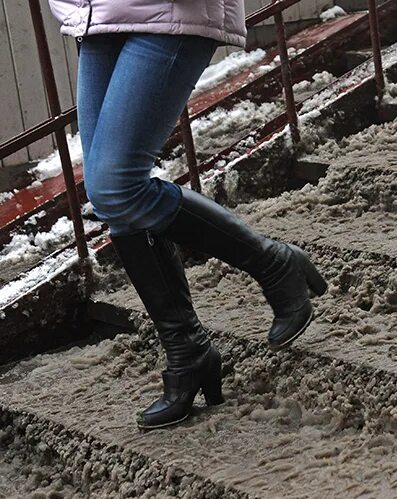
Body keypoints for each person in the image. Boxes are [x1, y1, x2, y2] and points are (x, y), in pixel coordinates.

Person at [47, 1, 327, 429]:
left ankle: (273, 264)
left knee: (116, 184)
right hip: (98, 12)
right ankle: (187, 350)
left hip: (166, 11)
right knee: (114, 195)